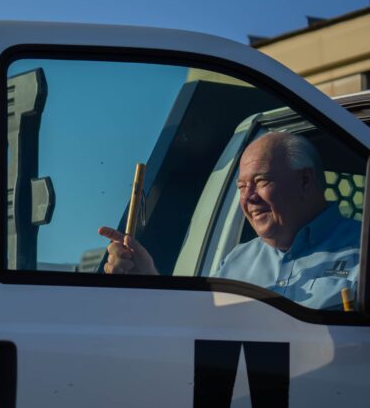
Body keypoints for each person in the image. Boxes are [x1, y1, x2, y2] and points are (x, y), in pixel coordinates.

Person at [99, 131, 360, 310]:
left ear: (305, 180)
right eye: (241, 186)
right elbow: (194, 327)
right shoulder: (235, 262)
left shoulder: (363, 250)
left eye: (261, 181)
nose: (248, 198)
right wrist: (148, 277)